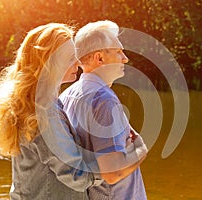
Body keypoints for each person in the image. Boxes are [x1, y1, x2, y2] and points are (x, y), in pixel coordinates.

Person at [0, 23, 100, 199]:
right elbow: (76, 176)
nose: (77, 62)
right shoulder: (44, 112)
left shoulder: (30, 104)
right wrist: (116, 164)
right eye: (69, 58)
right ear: (48, 63)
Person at [59, 20, 148, 200]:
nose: (125, 58)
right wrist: (140, 150)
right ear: (100, 58)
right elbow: (112, 173)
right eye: (118, 51)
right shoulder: (104, 101)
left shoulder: (66, 96)